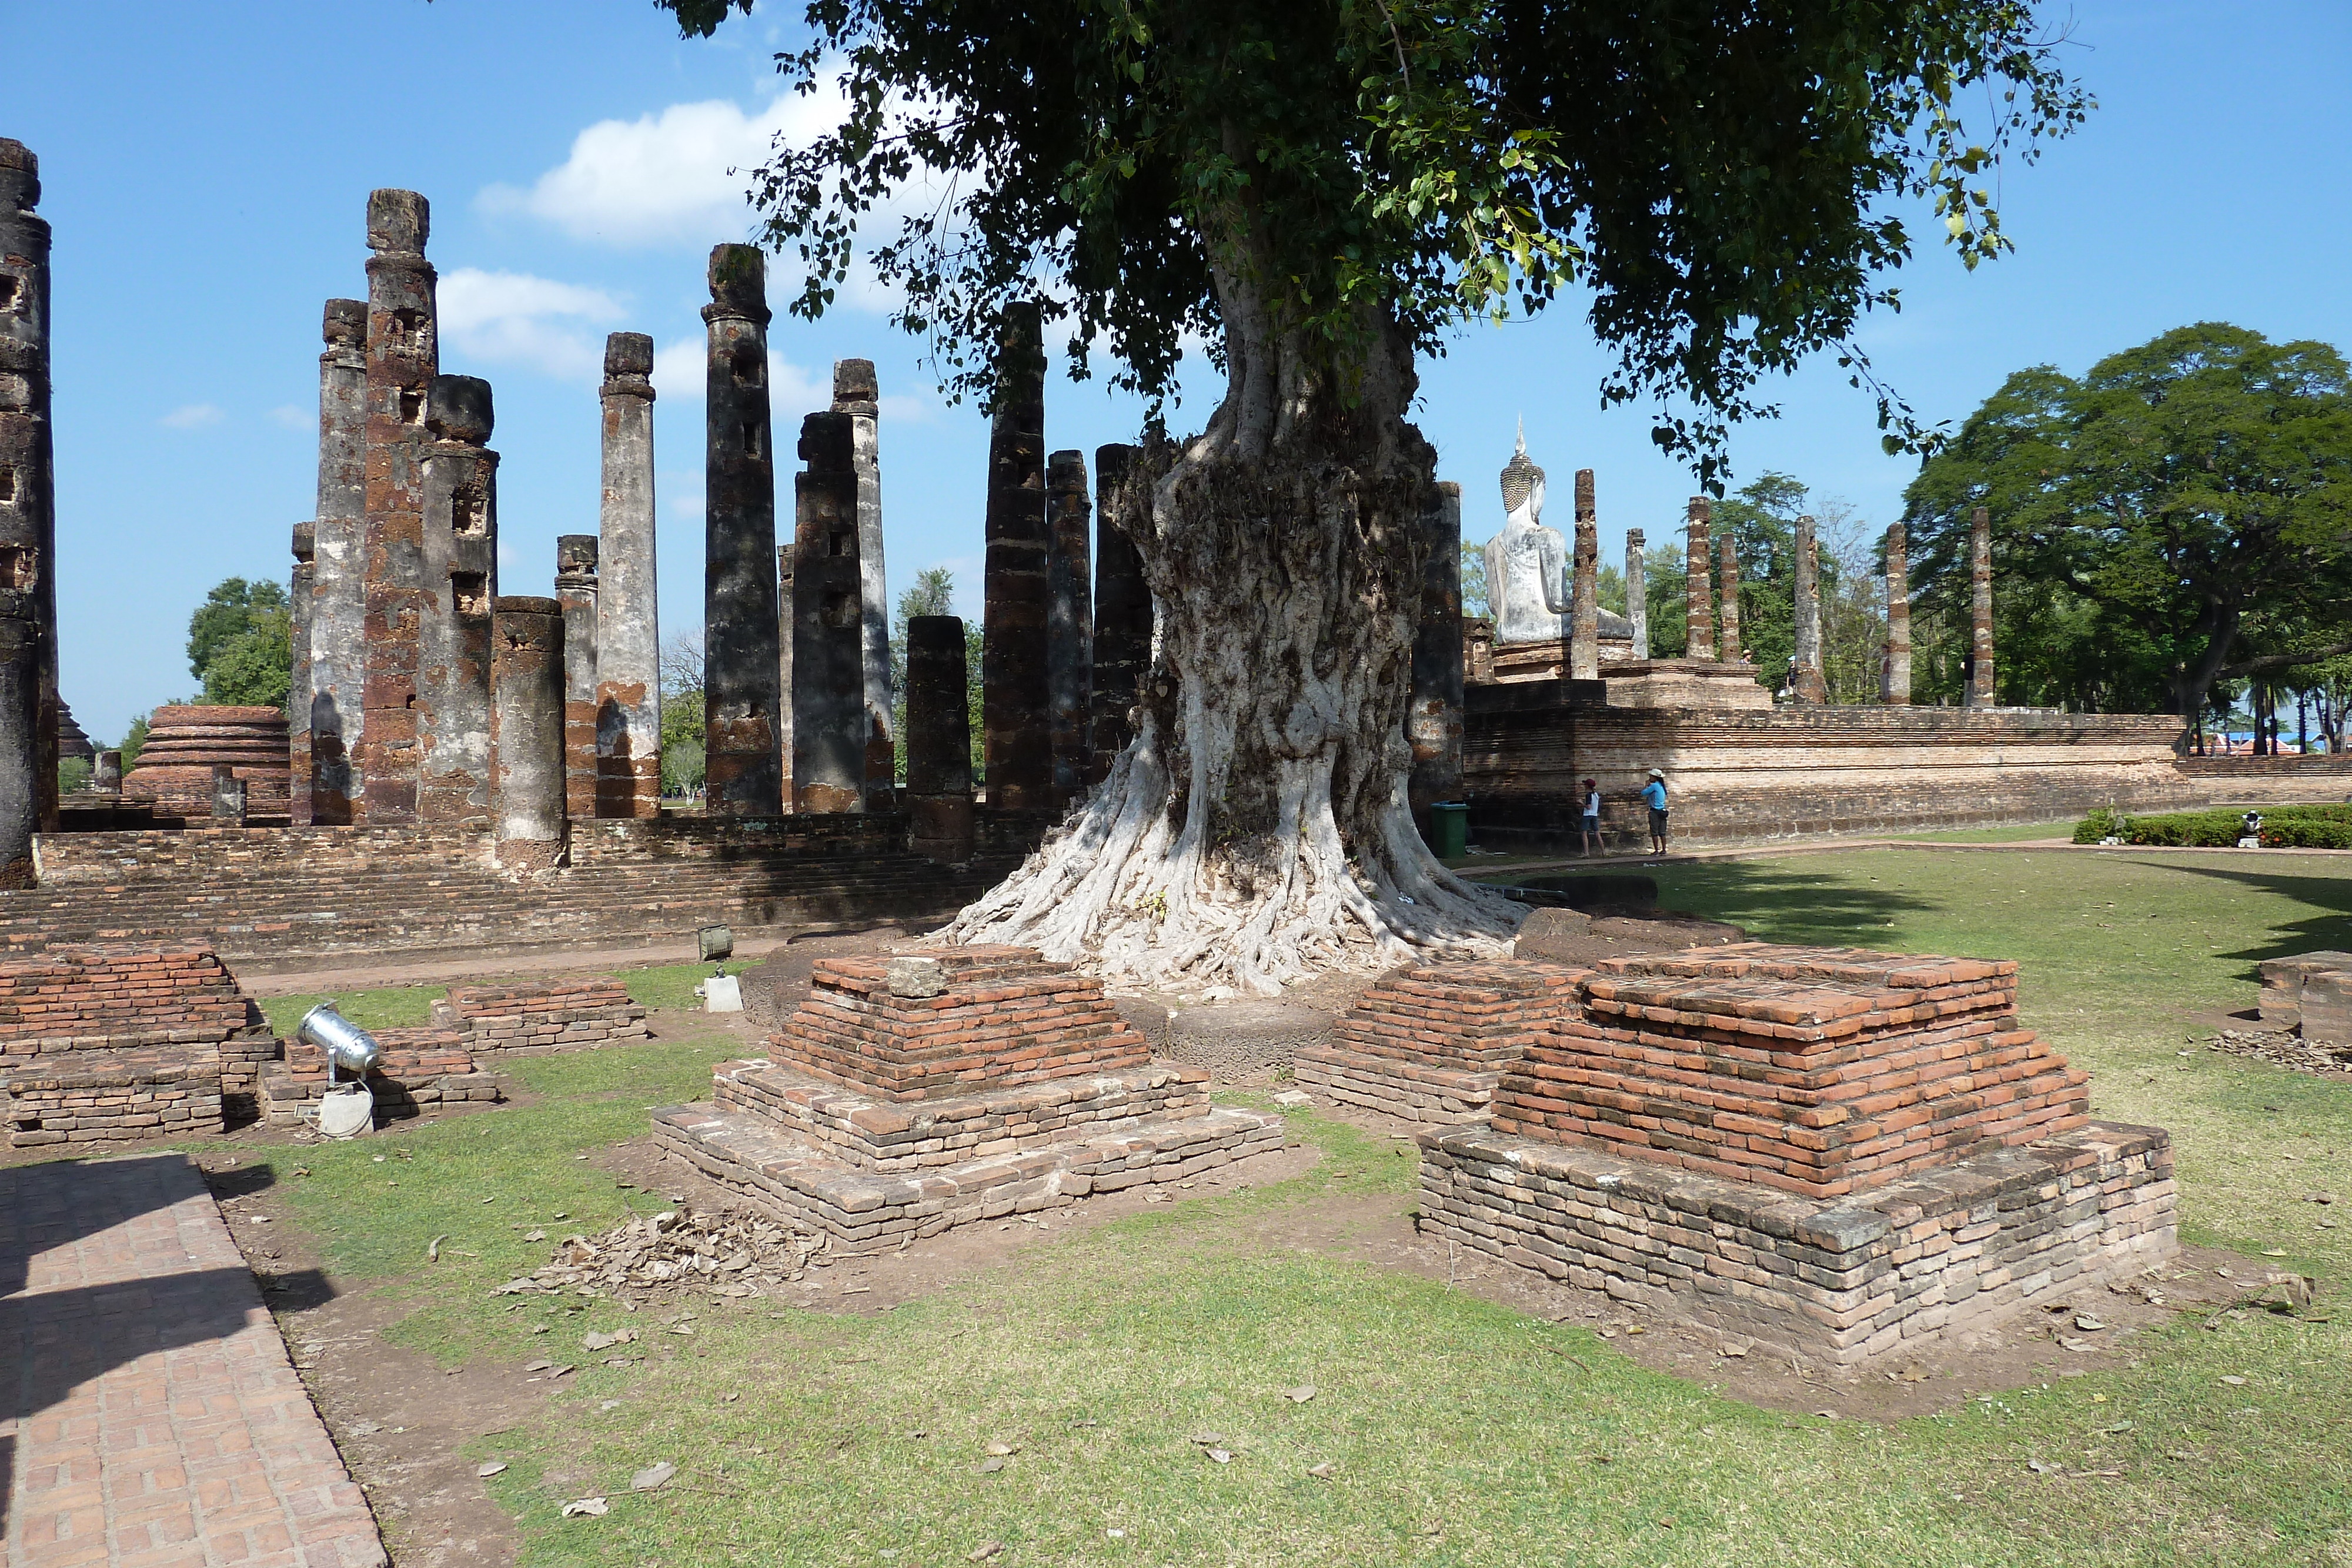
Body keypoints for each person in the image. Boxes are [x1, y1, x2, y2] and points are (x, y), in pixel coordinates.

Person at [1642, 767, 1669, 855]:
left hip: (1655, 811)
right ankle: (1664, 849)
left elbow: (1643, 793)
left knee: (1655, 832)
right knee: (1662, 832)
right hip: (1662, 810)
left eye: (1651, 776)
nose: (1649, 778)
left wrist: (1646, 785)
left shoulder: (1654, 786)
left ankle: (1656, 850)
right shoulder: (1662, 786)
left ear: (1654, 777)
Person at [1579, 777, 1603, 857]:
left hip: (1587, 815)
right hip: (1594, 815)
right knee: (1597, 833)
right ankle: (1603, 851)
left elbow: (1588, 807)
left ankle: (1586, 853)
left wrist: (1581, 803)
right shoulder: (1596, 795)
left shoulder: (1588, 795)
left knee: (1584, 833)